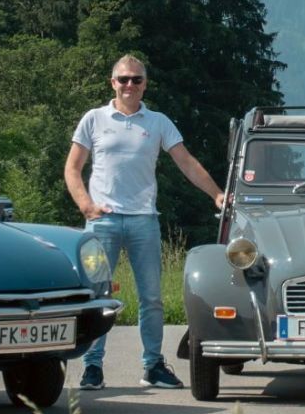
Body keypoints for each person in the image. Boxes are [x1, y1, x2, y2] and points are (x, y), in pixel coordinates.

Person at [63, 54, 226, 391]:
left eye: (136, 79)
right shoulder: (93, 119)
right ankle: (92, 367)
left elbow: (186, 162)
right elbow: (73, 167)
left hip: (143, 221)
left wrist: (216, 194)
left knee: (151, 298)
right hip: (102, 222)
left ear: (145, 84)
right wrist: (85, 205)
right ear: (112, 83)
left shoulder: (158, 122)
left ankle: (153, 365)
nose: (129, 85)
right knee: (98, 295)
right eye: (123, 79)